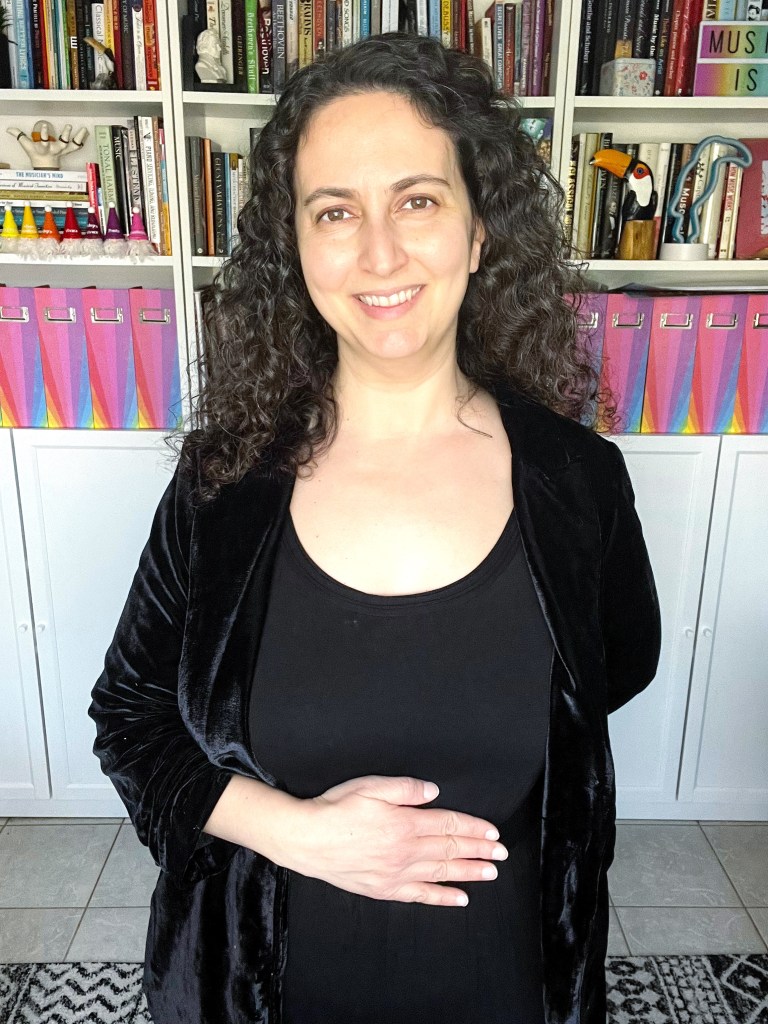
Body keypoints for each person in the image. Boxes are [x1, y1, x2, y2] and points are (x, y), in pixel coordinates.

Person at [88, 31, 662, 1024]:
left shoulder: (580, 483)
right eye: (336, 211)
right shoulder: (225, 488)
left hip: (514, 990)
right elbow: (132, 720)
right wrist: (298, 832)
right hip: (254, 994)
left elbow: (618, 663)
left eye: (418, 200)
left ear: (481, 231)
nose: (381, 251)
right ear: (297, 249)